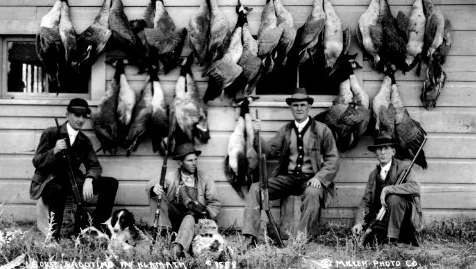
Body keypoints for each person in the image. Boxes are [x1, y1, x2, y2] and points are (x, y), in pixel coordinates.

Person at [242, 88, 340, 246]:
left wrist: (319, 178)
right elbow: (270, 151)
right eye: (296, 105)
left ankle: (301, 240)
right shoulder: (285, 131)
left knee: (313, 194)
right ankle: (250, 237)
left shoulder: (322, 130)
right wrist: (257, 134)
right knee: (255, 188)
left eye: (302, 105)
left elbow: (333, 159)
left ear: (309, 107)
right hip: (287, 179)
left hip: (310, 180)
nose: (299, 108)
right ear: (291, 108)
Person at [30, 98, 119, 240]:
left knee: (110, 183)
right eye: (77, 115)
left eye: (84, 116)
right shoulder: (51, 133)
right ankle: (54, 234)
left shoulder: (84, 140)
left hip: (73, 179)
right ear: (67, 115)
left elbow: (94, 166)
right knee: (58, 188)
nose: (81, 119)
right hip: (50, 180)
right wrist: (54, 151)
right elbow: (37, 162)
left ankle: (98, 229)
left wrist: (90, 179)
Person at [146, 143, 221, 259]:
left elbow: (215, 204)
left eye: (195, 160)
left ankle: (177, 250)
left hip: (195, 222)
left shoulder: (205, 179)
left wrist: (205, 213)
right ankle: (162, 236)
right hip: (174, 220)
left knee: (189, 218)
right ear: (180, 162)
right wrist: (155, 188)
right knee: (156, 198)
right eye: (190, 161)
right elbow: (150, 185)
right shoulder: (171, 177)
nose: (194, 163)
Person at [351, 132, 423, 246]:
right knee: (368, 241)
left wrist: (388, 189)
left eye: (386, 148)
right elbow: (366, 201)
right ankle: (385, 237)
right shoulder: (373, 174)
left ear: (393, 152)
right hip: (382, 217)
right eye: (379, 149)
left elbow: (415, 187)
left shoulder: (404, 168)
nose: (383, 152)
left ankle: (392, 240)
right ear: (375, 153)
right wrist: (358, 222)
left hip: (404, 220)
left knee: (394, 198)